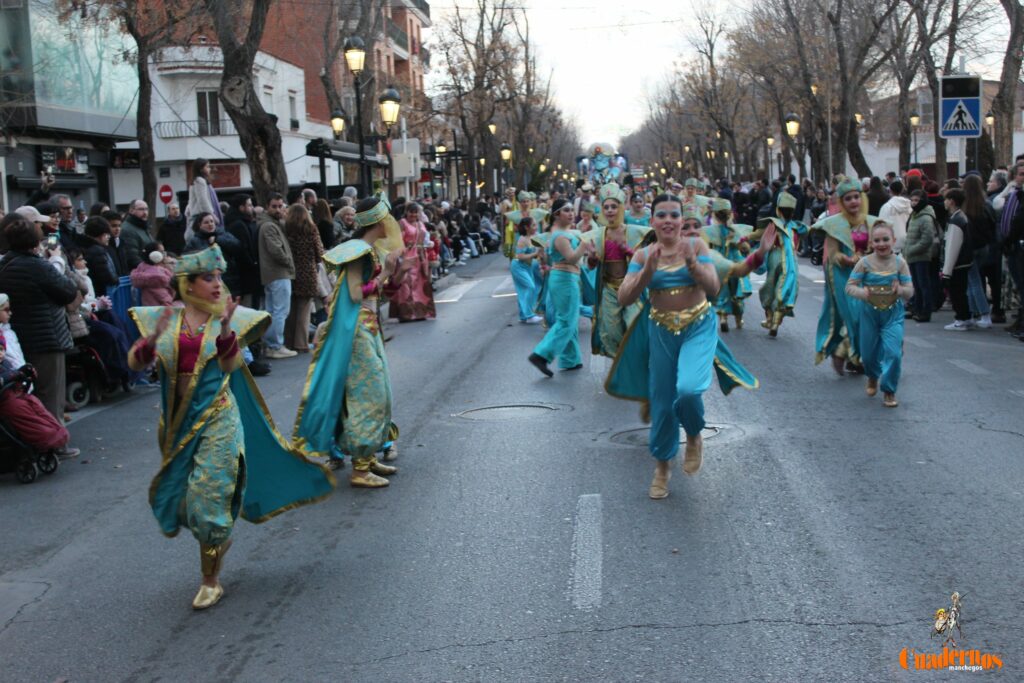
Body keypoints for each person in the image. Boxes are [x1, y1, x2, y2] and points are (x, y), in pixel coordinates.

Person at [127, 245, 334, 609]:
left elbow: (229, 366)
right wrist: (150, 343)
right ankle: (215, 538)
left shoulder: (229, 321)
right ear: (187, 285)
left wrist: (225, 329)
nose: (217, 284)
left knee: (209, 495)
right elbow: (134, 364)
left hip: (219, 417)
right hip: (177, 424)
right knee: (184, 503)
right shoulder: (167, 321)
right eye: (209, 278)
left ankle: (210, 579)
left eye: (219, 277)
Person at [608, 199, 759, 499]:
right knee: (663, 403)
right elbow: (625, 297)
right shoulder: (643, 254)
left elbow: (714, 288)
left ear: (681, 220)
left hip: (698, 326)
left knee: (689, 389)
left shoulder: (697, 248)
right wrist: (647, 272)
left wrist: (692, 266)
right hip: (661, 330)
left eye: (674, 215)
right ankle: (662, 467)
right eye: (661, 215)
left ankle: (693, 433)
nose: (668, 220)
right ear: (652, 221)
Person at [292, 196, 404, 487]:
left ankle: (366, 459)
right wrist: (386, 275)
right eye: (387, 218)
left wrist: (388, 277)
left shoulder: (366, 249)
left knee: (380, 393)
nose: (390, 223)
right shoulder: (358, 252)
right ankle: (360, 467)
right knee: (369, 396)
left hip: (367, 327)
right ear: (378, 222)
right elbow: (356, 294)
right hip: (357, 332)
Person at [0, 214, 80, 458]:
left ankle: (30, 441)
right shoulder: (38, 265)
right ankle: (55, 443)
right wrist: (56, 262)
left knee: (25, 393)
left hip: (18, 335)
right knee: (50, 393)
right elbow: (67, 291)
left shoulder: (4, 265)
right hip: (46, 335)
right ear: (35, 242)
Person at [810, 177, 875, 375]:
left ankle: (855, 356)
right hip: (842, 274)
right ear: (842, 202)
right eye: (848, 199)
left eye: (856, 197)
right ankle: (843, 351)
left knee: (867, 316)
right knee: (853, 316)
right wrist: (848, 259)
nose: (854, 201)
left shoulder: (871, 222)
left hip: (866, 275)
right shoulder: (834, 225)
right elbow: (833, 254)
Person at [844, 222, 914, 407]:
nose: (882, 244)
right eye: (877, 240)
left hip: (893, 316)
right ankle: (873, 376)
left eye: (885, 239)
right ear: (871, 243)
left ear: (893, 240)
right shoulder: (864, 263)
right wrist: (862, 293)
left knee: (894, 353)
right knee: (867, 356)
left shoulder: (900, 263)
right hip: (869, 315)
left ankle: (889, 390)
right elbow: (849, 286)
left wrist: (900, 289)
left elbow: (910, 291)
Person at [582, 183, 650, 358]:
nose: (610, 210)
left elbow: (643, 259)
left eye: (614, 206)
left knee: (634, 324)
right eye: (606, 207)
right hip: (609, 289)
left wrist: (626, 249)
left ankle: (636, 362)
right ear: (602, 210)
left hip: (631, 286)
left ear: (620, 208)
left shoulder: (633, 232)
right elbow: (591, 265)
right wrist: (592, 258)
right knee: (611, 332)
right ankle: (621, 367)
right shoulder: (598, 235)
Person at [528, 199, 594, 376]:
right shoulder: (559, 236)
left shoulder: (563, 232)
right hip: (565, 278)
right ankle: (541, 354)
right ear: (556, 214)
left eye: (572, 210)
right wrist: (583, 244)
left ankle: (570, 359)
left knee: (568, 319)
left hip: (567, 277)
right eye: (566, 210)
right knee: (567, 320)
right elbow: (572, 258)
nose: (572, 213)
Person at [0, 336, 70, 454]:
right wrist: (15, 374)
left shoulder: (5, 364)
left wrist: (24, 372)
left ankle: (57, 434)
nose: (0, 354)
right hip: (7, 402)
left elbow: (13, 376)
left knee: (36, 406)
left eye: (1, 350)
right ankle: (47, 438)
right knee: (25, 414)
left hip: (17, 396)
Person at [754, 192, 807, 336]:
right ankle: (776, 322)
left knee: (770, 287)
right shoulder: (797, 227)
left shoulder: (773, 224)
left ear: (778, 209)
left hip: (775, 257)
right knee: (784, 288)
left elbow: (761, 237)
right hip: (791, 261)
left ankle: (770, 319)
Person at [703, 198, 753, 333]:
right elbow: (744, 247)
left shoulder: (708, 231)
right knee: (736, 291)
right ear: (730, 214)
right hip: (734, 262)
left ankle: (723, 318)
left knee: (722, 290)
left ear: (714, 214)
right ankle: (738, 319)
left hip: (718, 263)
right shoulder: (736, 231)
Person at [258, 194, 296, 359]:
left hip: (274, 272)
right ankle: (275, 345)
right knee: (280, 310)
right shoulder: (269, 226)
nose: (278, 209)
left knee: (273, 310)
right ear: (267, 206)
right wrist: (288, 262)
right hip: (278, 272)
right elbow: (276, 250)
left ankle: (272, 344)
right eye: (274, 206)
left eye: (281, 206)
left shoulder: (272, 224)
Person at [283, 204, 324, 353]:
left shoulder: (286, 229)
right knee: (304, 310)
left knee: (291, 309)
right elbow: (319, 252)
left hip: (291, 272)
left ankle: (288, 342)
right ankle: (301, 343)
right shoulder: (311, 229)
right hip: (308, 272)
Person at [389, 202, 436, 322]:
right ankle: (407, 313)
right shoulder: (402, 223)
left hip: (419, 257)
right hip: (406, 257)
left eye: (415, 212)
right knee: (405, 285)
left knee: (419, 285)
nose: (413, 214)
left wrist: (428, 244)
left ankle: (420, 312)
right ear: (406, 212)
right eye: (411, 212)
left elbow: (425, 239)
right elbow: (396, 240)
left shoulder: (420, 224)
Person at [962, 174, 999, 327]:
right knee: (973, 281)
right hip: (984, 246)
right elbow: (993, 225)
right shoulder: (986, 204)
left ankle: (983, 314)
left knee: (974, 281)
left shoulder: (965, 207)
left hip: (971, 247)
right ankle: (972, 313)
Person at [941, 188, 975, 331]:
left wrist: (946, 271)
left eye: (946, 199)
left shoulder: (956, 221)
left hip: (957, 264)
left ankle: (961, 318)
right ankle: (966, 317)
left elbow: (952, 248)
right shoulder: (962, 216)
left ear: (952, 201)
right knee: (961, 291)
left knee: (957, 292)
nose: (944, 202)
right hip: (964, 262)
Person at [223, 195, 262, 309]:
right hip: (246, 277)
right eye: (249, 205)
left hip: (245, 276)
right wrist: (253, 264)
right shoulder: (239, 225)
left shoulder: (238, 223)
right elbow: (243, 250)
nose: (252, 208)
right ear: (241, 207)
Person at [904, 190, 937, 322]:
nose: (913, 203)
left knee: (924, 285)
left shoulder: (926, 217)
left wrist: (911, 249)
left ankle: (925, 311)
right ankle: (916, 309)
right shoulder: (914, 215)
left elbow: (927, 239)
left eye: (916, 200)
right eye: (912, 200)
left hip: (921, 256)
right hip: (912, 255)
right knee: (916, 285)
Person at [510, 216, 544, 324]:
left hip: (528, 266)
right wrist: (535, 254)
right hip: (518, 266)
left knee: (525, 289)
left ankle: (523, 316)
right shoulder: (522, 239)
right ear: (526, 227)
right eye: (533, 225)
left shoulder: (536, 236)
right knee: (530, 287)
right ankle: (529, 315)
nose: (536, 227)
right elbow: (520, 256)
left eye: (536, 224)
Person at [131, 243, 177, 307]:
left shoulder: (145, 269)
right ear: (154, 255)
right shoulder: (157, 277)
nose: (164, 255)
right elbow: (165, 299)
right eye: (161, 252)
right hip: (160, 313)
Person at [185, 159, 222, 236]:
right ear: (201, 168)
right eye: (207, 166)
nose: (209, 169)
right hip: (201, 215)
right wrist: (212, 215)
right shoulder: (199, 181)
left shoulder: (197, 180)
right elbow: (202, 200)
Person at [877, 180, 911, 253]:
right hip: (908, 240)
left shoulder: (886, 207)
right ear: (902, 190)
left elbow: (881, 225)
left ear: (890, 190)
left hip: (893, 242)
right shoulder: (909, 205)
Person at [121, 199, 152, 271]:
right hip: (141, 273)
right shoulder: (127, 230)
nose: (145, 212)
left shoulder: (142, 226)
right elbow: (132, 256)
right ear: (131, 211)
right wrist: (148, 270)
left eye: (146, 209)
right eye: (141, 209)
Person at [102, 210, 129, 277]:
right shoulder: (104, 246)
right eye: (113, 226)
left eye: (119, 226)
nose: (117, 229)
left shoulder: (122, 243)